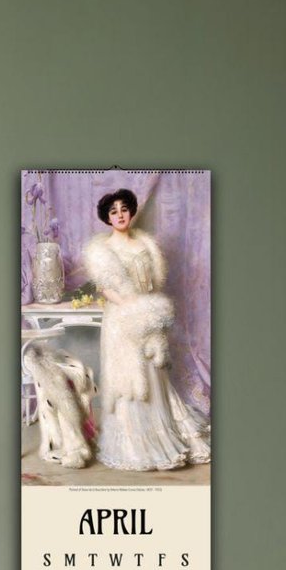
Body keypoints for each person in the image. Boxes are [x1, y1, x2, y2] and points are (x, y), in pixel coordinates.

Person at [83, 189, 211, 472]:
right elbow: (106, 288)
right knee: (130, 379)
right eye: (113, 211)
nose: (119, 215)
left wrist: (148, 311)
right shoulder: (102, 251)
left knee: (153, 375)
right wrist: (134, 309)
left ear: (131, 212)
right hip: (122, 319)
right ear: (107, 217)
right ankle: (133, 445)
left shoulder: (145, 245)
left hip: (148, 315)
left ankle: (163, 435)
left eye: (124, 209)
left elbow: (152, 284)